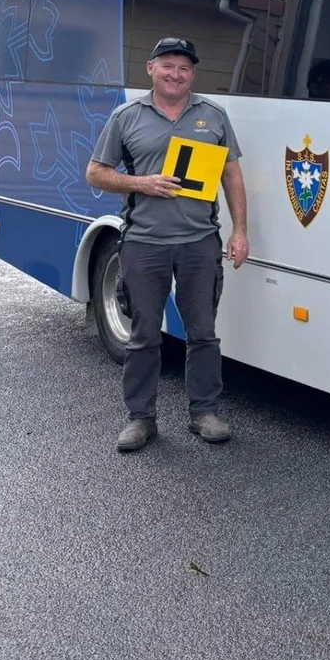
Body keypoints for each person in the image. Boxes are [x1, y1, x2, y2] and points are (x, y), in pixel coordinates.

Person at [86, 37, 250, 452]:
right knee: (144, 335)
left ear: (192, 74)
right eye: (168, 66)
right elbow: (96, 173)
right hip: (144, 243)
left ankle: (204, 412)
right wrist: (142, 183)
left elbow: (231, 175)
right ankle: (140, 418)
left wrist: (240, 231)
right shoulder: (127, 117)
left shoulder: (213, 115)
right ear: (151, 69)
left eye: (184, 68)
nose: (176, 74)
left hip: (199, 242)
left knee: (203, 333)